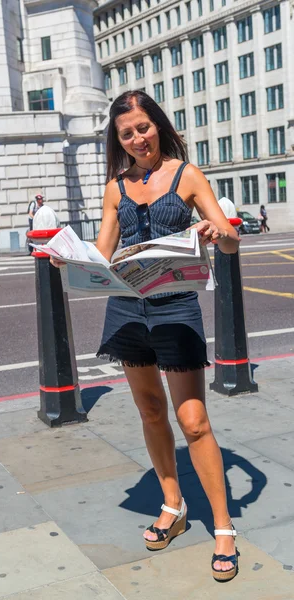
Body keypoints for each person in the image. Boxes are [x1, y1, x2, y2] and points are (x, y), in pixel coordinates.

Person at [51, 90, 241, 582]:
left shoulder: (187, 174)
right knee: (150, 410)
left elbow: (232, 238)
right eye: (126, 134)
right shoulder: (115, 187)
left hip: (176, 309)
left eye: (143, 128)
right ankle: (173, 504)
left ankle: (223, 526)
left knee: (194, 421)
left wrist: (215, 233)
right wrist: (70, 259)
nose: (138, 139)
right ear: (118, 140)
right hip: (127, 310)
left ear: (157, 124)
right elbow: (102, 251)